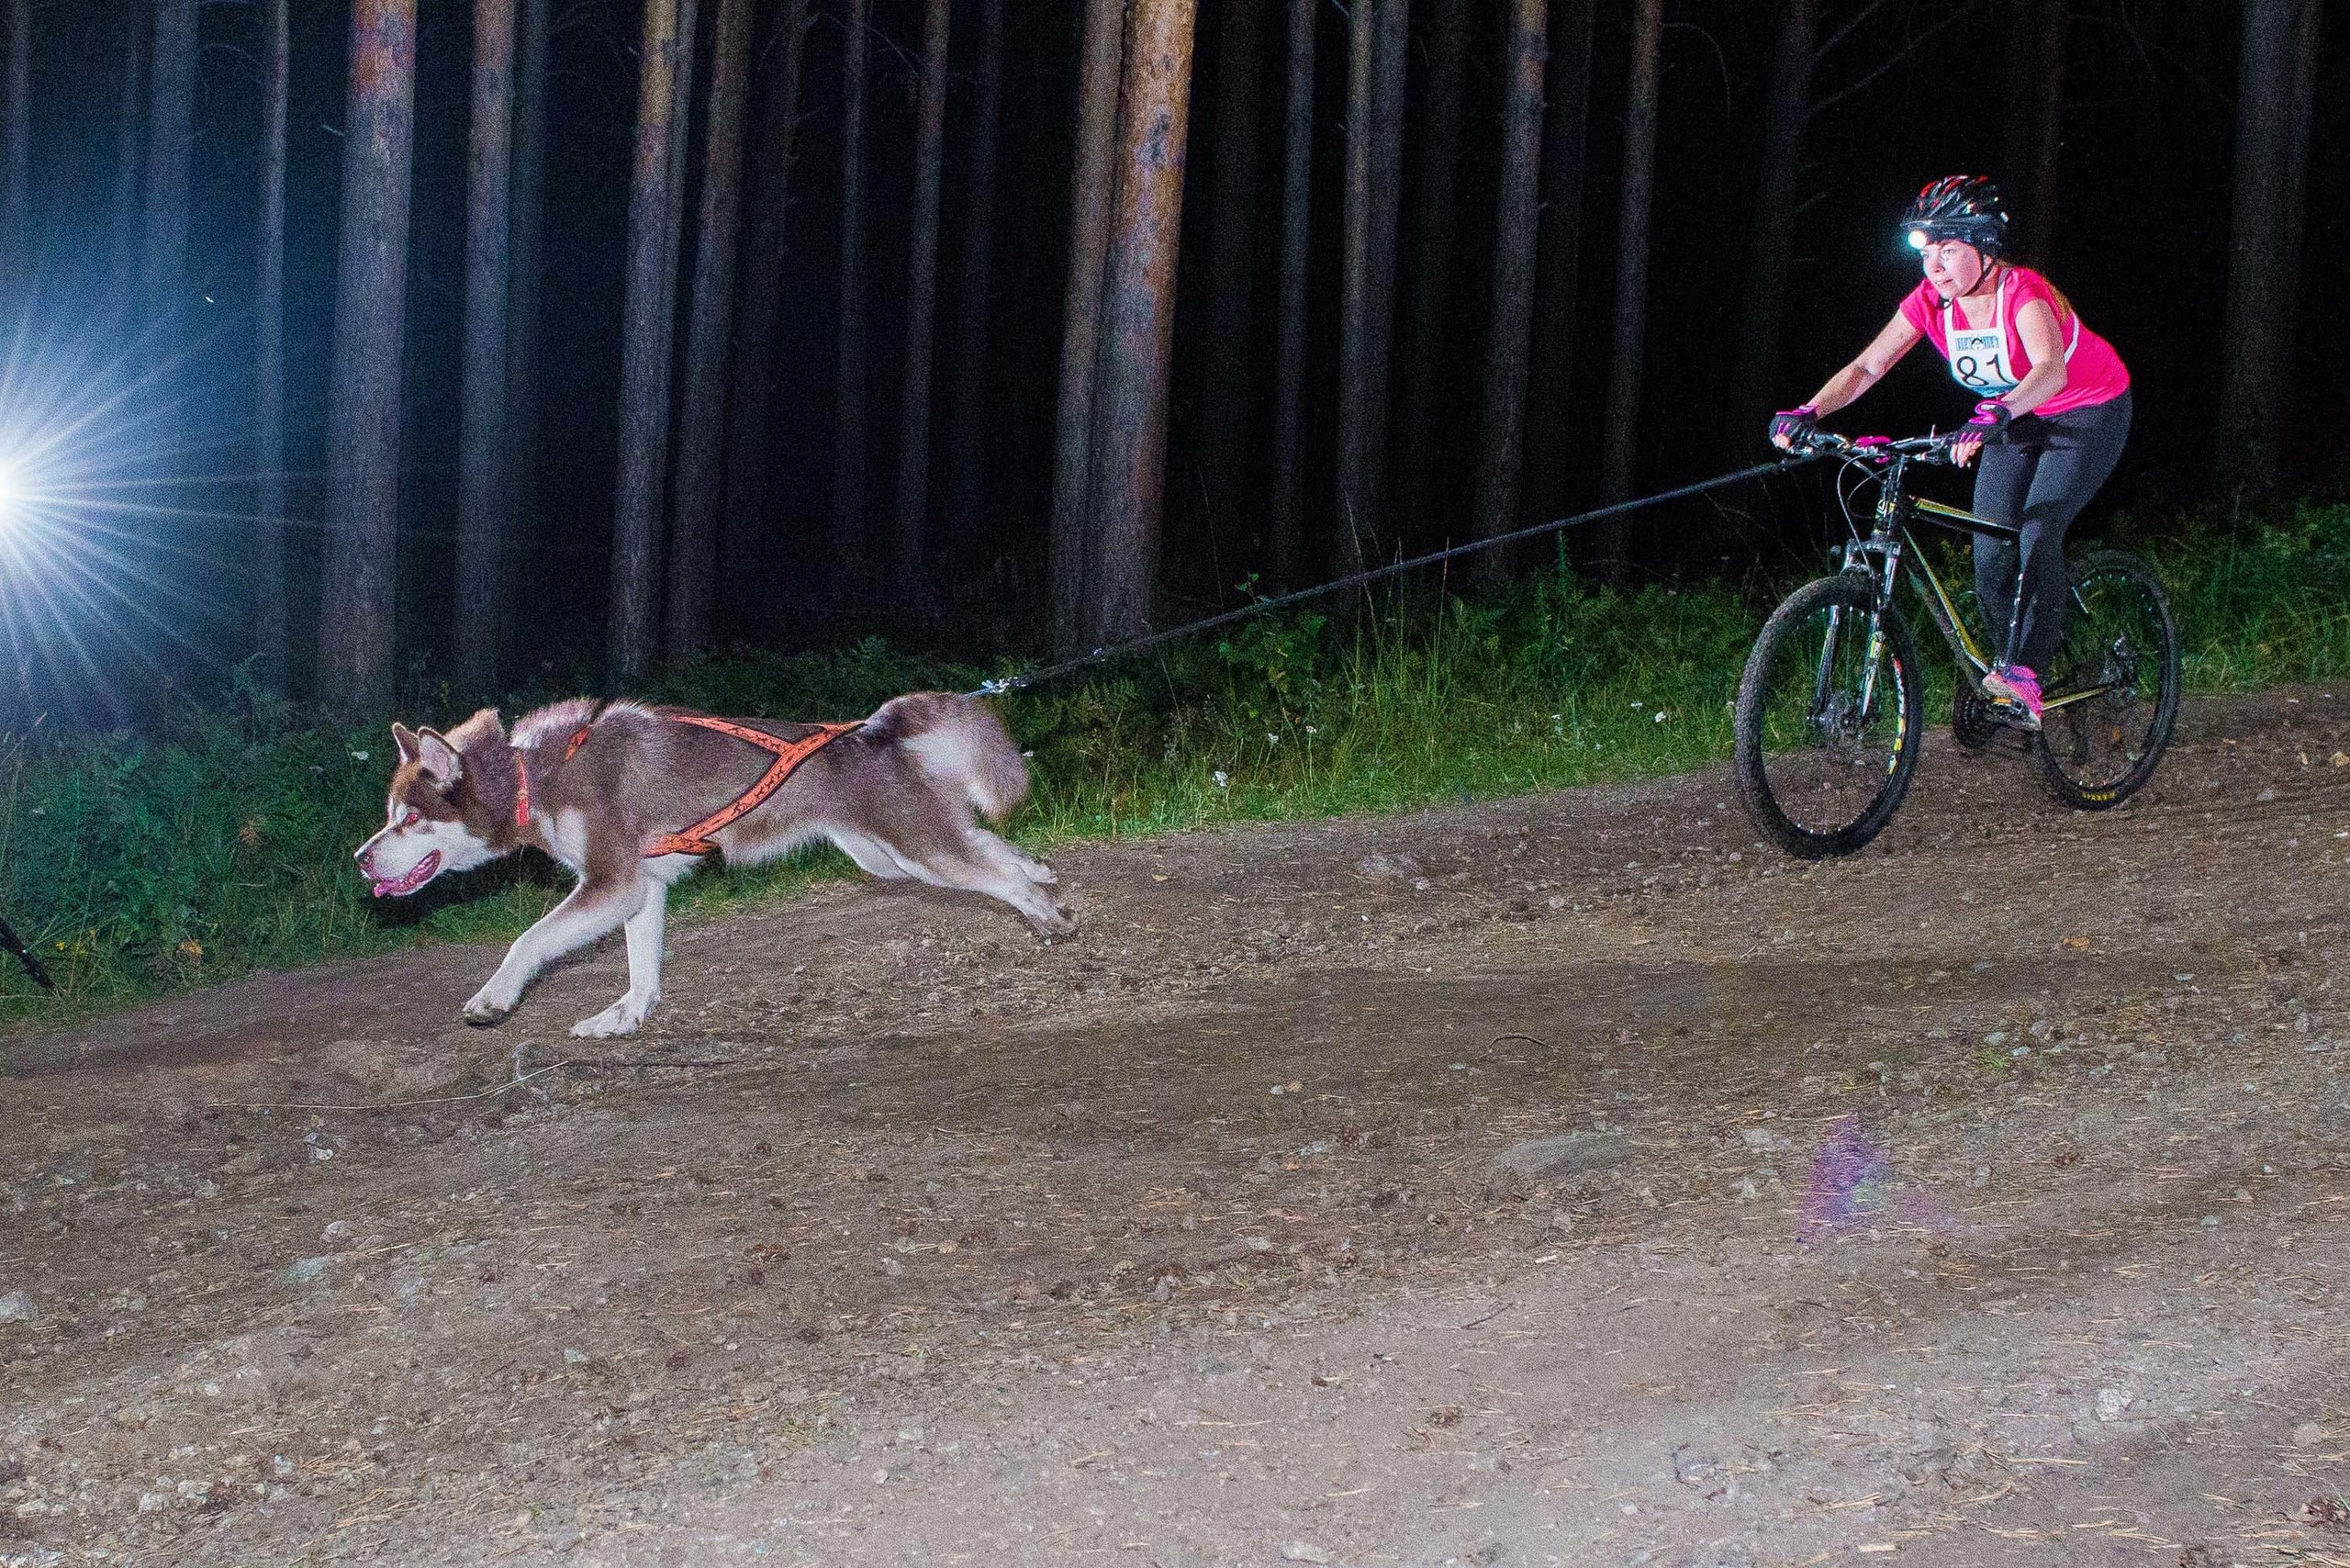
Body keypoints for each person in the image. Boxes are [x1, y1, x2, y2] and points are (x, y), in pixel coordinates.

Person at [1767, 176, 2132, 728]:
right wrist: (1809, 411)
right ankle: (2005, 668)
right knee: (1988, 551)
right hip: (2010, 417)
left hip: (2085, 412)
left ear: (1985, 250)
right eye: (1927, 251)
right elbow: (1870, 366)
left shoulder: (2023, 292)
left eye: (1949, 250)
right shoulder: (1932, 303)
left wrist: (1998, 414)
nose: (1934, 266)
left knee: (2038, 530)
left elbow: (2050, 370)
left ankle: (2026, 675)